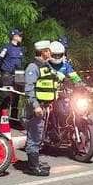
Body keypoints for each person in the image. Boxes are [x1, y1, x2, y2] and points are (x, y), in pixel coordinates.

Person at [23, 40, 55, 177]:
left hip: (44, 106)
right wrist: (36, 106)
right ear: (43, 52)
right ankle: (33, 167)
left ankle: (34, 162)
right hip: (36, 107)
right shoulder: (33, 66)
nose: (51, 52)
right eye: (48, 50)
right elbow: (29, 89)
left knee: (39, 135)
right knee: (34, 136)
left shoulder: (45, 65)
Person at [0, 28, 24, 114]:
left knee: (16, 99)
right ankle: (2, 118)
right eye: (19, 35)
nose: (21, 37)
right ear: (14, 36)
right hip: (7, 75)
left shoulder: (21, 49)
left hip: (19, 75)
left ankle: (14, 118)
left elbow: (22, 62)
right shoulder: (6, 48)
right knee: (5, 98)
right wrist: (3, 69)